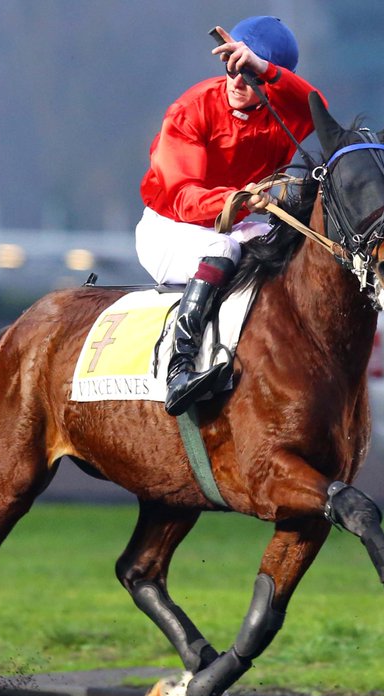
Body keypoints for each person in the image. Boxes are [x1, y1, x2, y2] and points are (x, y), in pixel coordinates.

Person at [136, 15, 321, 416]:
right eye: (230, 67)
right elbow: (183, 197)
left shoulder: (285, 109)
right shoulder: (191, 109)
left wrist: (264, 68)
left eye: (247, 72)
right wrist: (236, 201)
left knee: (290, 249)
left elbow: (317, 105)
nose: (236, 81)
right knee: (221, 247)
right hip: (171, 227)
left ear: (270, 78)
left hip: (240, 221)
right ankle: (179, 369)